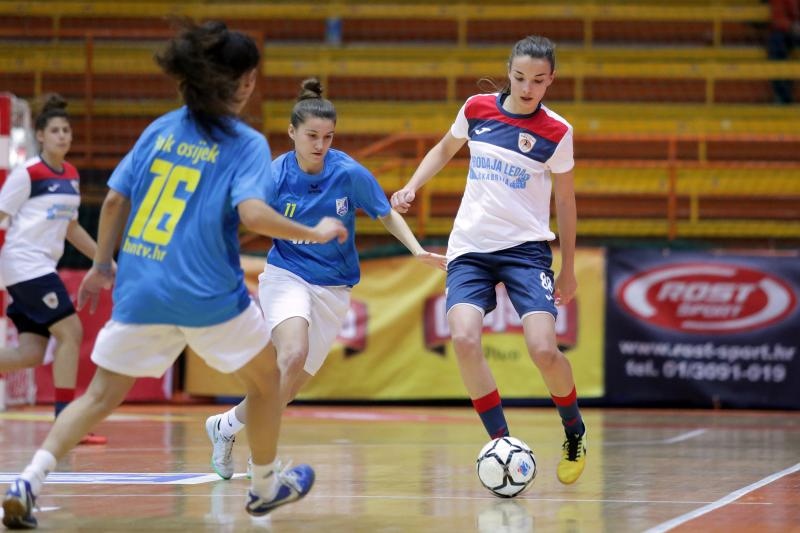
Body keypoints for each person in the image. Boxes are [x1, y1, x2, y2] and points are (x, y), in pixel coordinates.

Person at [1, 20, 348, 530]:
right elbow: (253, 214)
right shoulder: (246, 143)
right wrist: (312, 232)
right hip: (207, 293)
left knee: (98, 396)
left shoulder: (160, 128)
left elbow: (114, 200)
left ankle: (28, 483)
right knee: (268, 380)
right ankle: (264, 486)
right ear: (245, 83)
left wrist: (101, 265)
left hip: (141, 287)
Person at [205, 78, 447, 480]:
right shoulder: (274, 175)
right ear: (292, 133)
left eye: (328, 137)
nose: (320, 144)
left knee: (286, 388)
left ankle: (225, 426)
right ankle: (262, 457)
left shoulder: (347, 173)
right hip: (287, 275)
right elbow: (240, 214)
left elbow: (385, 212)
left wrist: (416, 249)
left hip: (333, 289)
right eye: (312, 136)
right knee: (291, 354)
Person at [391, 35, 587, 485]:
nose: (527, 87)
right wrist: (412, 186)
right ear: (508, 72)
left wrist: (569, 269)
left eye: (538, 80)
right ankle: (502, 443)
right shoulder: (477, 108)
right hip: (470, 249)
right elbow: (444, 148)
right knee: (463, 338)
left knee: (543, 349)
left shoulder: (557, 132)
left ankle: (574, 430)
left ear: (551, 80)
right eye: (520, 77)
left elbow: (566, 202)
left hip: (526, 251)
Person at [0, 94, 107, 445]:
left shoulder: (71, 176)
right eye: (56, 130)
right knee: (71, 332)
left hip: (40, 267)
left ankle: (66, 421)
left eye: (67, 130)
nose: (63, 136)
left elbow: (72, 228)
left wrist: (103, 260)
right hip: (24, 264)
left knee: (29, 353)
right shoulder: (28, 173)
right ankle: (67, 423)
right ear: (41, 136)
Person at [767, 0, 800, 103]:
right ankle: (783, 96)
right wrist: (792, 26)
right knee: (776, 41)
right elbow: (778, 17)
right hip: (789, 30)